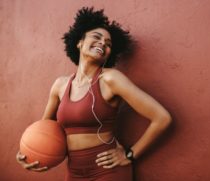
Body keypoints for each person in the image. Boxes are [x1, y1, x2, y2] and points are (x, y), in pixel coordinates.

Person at [16, 7, 171, 181]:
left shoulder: (110, 79)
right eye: (96, 37)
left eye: (108, 44)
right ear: (79, 42)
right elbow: (44, 130)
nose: (103, 44)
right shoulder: (60, 85)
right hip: (73, 172)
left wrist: (129, 155)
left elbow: (162, 118)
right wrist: (29, 153)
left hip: (108, 170)